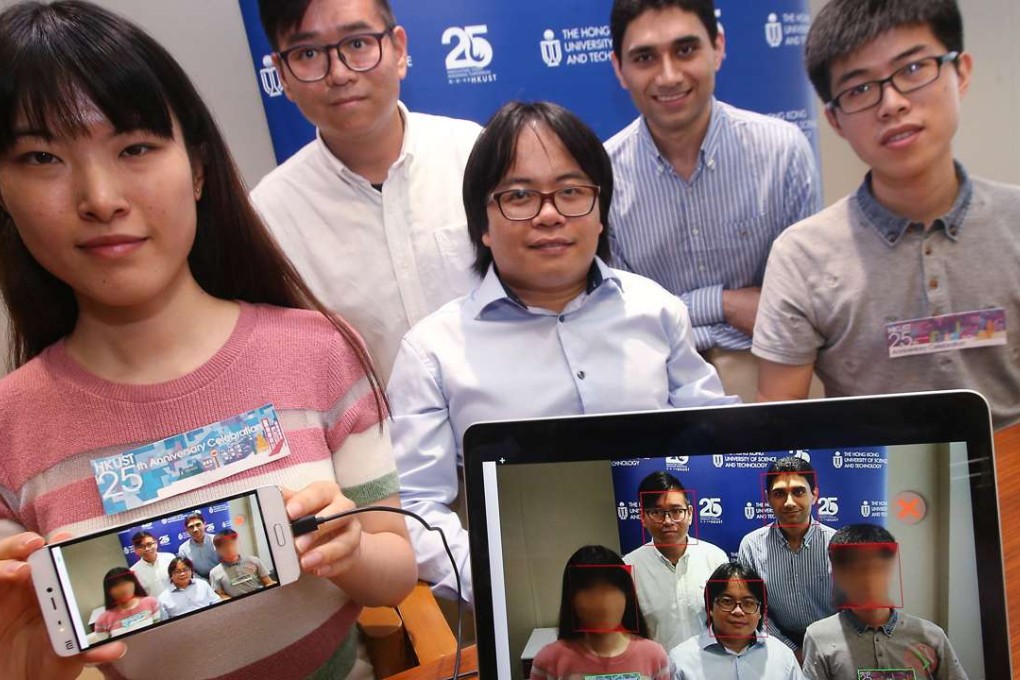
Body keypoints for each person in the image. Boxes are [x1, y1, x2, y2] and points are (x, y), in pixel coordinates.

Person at [0, 3, 416, 679]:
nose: (100, 197)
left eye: (134, 147)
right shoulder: (9, 426)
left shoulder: (317, 349)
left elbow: (394, 569)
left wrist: (353, 550)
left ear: (196, 169)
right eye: (42, 157)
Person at [389, 100, 737, 606]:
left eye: (572, 192)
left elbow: (719, 440)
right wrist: (500, 580)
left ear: (600, 212)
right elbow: (419, 508)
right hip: (530, 595)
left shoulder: (656, 311)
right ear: (482, 224)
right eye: (519, 196)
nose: (549, 214)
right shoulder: (433, 351)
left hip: (679, 578)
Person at [753, 0, 1020, 430]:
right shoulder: (802, 257)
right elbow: (777, 428)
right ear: (835, 121)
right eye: (859, 89)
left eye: (913, 69)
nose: (891, 104)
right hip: (875, 484)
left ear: (961, 72)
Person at [250, 0, 482, 381]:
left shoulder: (476, 155)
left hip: (502, 429)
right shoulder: (269, 217)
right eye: (308, 53)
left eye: (357, 44)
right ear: (283, 75)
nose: (339, 74)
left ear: (399, 49)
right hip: (371, 439)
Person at [606, 0, 821, 401]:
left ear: (717, 48)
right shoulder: (603, 177)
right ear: (620, 69)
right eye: (645, 57)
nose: (668, 76)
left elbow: (796, 312)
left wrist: (677, 309)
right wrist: (725, 304)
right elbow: (625, 324)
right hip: (659, 377)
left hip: (768, 364)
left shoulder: (783, 153)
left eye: (685, 50)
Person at [802, 524, 969, 680]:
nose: (867, 580)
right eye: (855, 570)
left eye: (876, 568)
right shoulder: (819, 636)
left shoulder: (930, 636)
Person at [737, 456, 835, 659]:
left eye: (798, 492)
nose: (789, 502)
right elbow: (753, 607)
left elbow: (851, 607)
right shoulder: (751, 545)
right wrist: (791, 651)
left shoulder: (837, 544)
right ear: (768, 498)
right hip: (775, 648)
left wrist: (828, 650)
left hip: (834, 646)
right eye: (780, 493)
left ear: (814, 495)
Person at [530, 545, 670, 680]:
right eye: (590, 592)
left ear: (627, 595)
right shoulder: (549, 661)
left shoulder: (654, 656)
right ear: (571, 599)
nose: (603, 604)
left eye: (611, 591)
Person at [623, 471, 728, 650]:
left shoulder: (715, 559)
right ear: (642, 517)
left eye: (676, 511)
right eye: (656, 512)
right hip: (658, 672)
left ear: (690, 513)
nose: (668, 521)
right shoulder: (628, 568)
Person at [670, 562, 805, 679]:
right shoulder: (681, 660)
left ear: (760, 611)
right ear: (710, 607)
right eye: (727, 602)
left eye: (748, 603)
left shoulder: (782, 656)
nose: (738, 611)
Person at [93, 568, 161, 640]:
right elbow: (107, 648)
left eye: (125, 582)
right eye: (115, 585)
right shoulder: (102, 621)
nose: (122, 588)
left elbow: (159, 633)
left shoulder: (151, 603)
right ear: (108, 590)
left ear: (134, 582)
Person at [207, 529, 276, 598]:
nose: (229, 548)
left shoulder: (253, 560)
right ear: (217, 550)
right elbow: (220, 595)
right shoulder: (214, 573)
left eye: (232, 543)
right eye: (224, 546)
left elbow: (268, 582)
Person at [157, 557, 221, 619]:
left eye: (185, 570)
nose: (182, 574)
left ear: (191, 571)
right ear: (171, 576)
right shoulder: (163, 599)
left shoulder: (202, 584)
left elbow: (216, 602)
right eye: (177, 571)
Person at [128, 531, 176, 599]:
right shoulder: (132, 572)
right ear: (135, 550)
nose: (147, 549)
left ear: (156, 543)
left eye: (149, 544)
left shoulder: (170, 558)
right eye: (141, 546)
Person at [177, 512, 218, 580]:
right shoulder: (183, 549)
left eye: (198, 524)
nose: (195, 529)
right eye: (191, 527)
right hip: (200, 581)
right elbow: (189, 571)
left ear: (204, 524)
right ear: (186, 530)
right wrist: (204, 583)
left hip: (221, 576)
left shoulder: (216, 540)